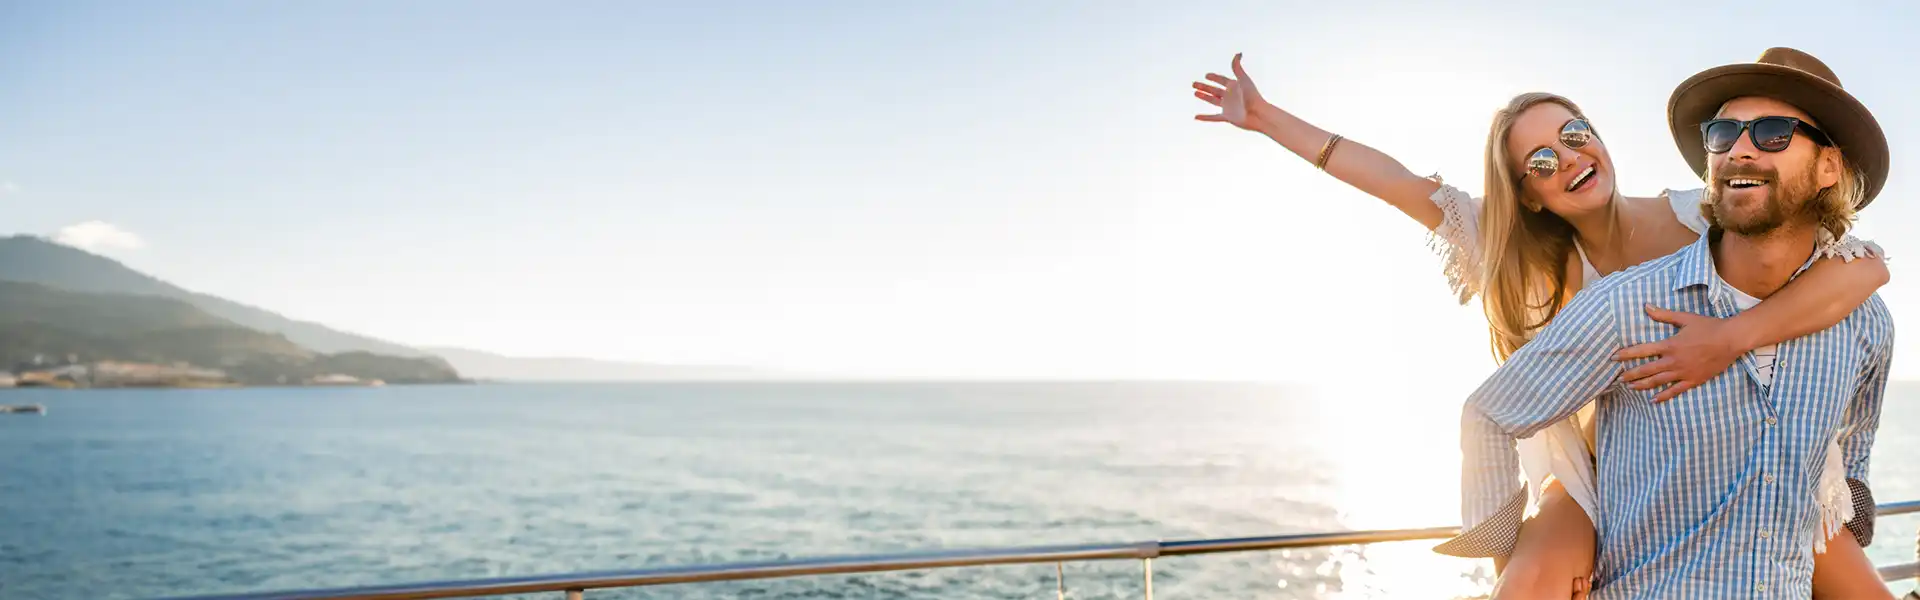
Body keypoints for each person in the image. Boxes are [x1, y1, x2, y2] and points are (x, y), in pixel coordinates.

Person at [1188, 48, 1890, 599]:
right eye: (1543, 161)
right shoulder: (1527, 261)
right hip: (1586, 463)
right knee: (1525, 586)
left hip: (1723, 450)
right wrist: (1267, 118)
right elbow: (1392, 179)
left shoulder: (1701, 212)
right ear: (1526, 193)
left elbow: (1860, 272)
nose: (1572, 158)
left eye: (1576, 134)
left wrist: (1728, 340)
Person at [1455, 47, 1895, 599]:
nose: (1739, 149)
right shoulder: (1629, 305)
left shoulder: (1864, 322)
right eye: (1723, 133)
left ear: (1829, 167)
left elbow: (1852, 450)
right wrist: (1509, 558)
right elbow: (1490, 413)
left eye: (1773, 133)